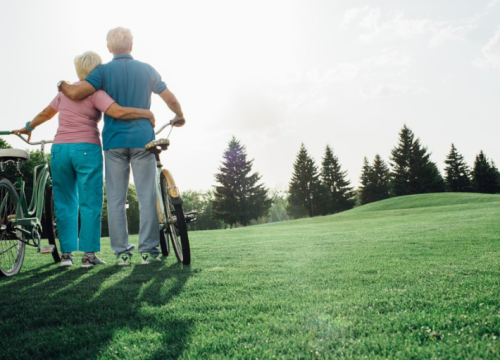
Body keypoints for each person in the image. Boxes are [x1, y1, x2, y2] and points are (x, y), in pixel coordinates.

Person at [12, 51, 156, 268]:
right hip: (86, 149)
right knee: (90, 202)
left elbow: (45, 113)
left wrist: (28, 127)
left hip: (59, 150)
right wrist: (146, 113)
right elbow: (117, 112)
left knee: (64, 202)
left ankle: (66, 256)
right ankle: (88, 256)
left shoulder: (63, 94)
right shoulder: (96, 93)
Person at [59, 27, 185, 266]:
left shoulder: (102, 72)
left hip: (114, 143)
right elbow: (170, 98)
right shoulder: (147, 69)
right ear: (132, 45)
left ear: (109, 48)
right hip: (143, 141)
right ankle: (148, 251)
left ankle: (122, 254)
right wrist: (179, 115)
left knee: (116, 199)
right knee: (146, 196)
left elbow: (77, 93)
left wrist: (62, 85)